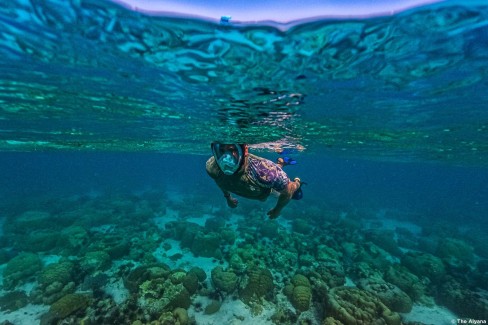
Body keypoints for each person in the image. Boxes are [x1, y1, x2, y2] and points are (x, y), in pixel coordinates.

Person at [206, 142, 302, 219]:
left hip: (265, 191)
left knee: (295, 193)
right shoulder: (212, 167)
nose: (226, 158)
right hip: (258, 186)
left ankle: (298, 180)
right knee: (271, 177)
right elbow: (219, 180)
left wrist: (277, 209)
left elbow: (289, 188)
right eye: (221, 151)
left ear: (245, 150)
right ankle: (281, 163)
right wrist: (228, 197)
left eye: (231, 150)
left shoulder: (264, 170)